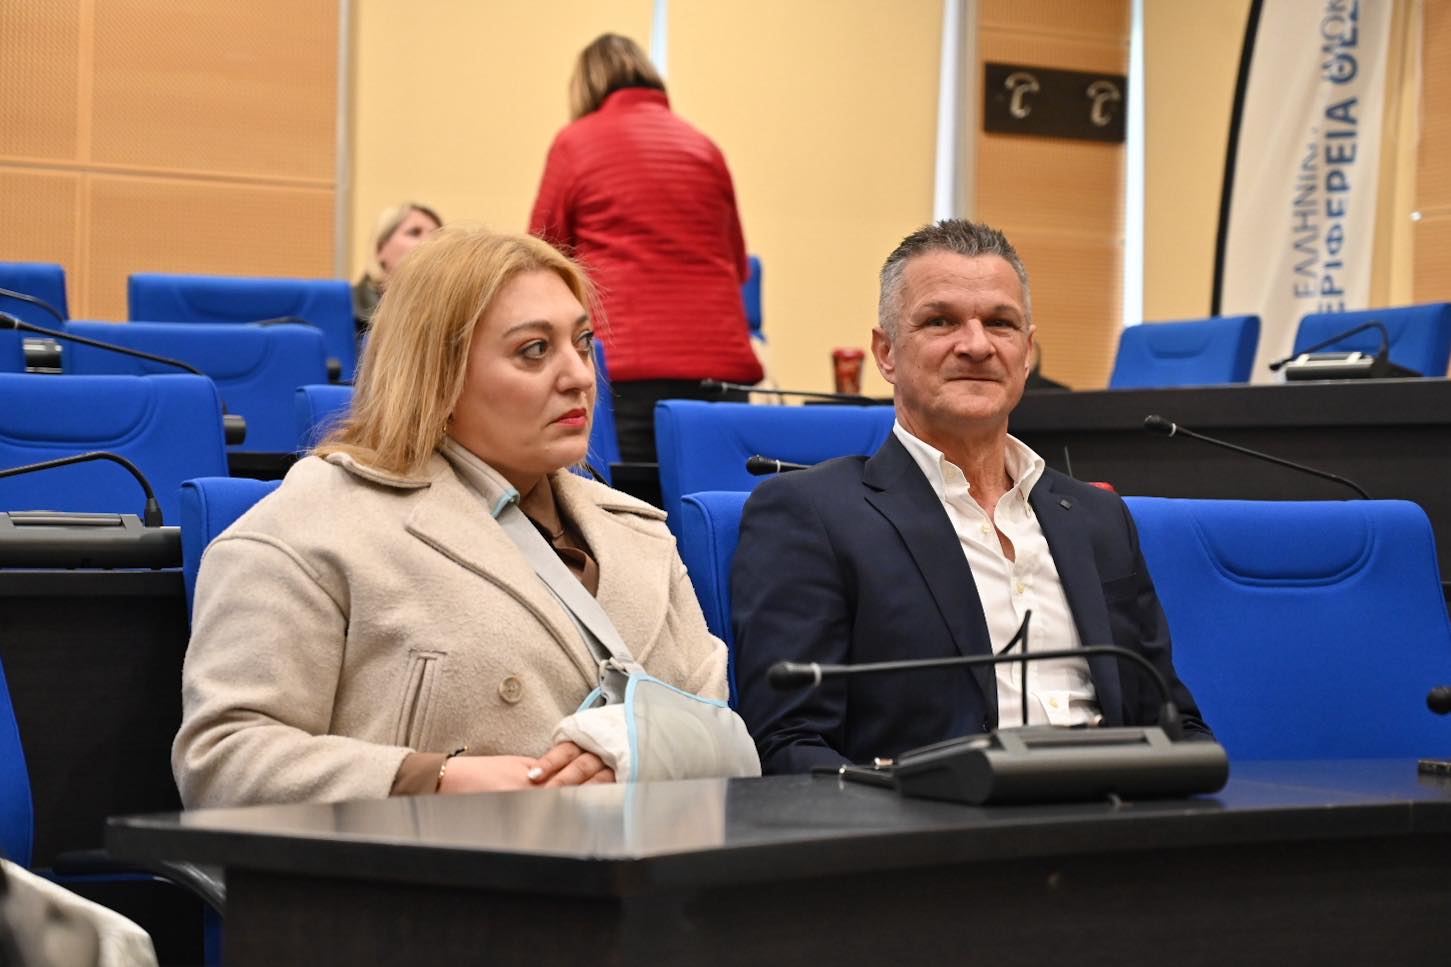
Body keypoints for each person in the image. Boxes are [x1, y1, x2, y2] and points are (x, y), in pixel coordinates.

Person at [174, 226, 728, 807]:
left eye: (583, 342)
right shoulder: (315, 526)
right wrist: (432, 780)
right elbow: (222, 760)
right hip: (436, 859)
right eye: (534, 350)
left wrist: (640, 760)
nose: (580, 376)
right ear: (436, 373)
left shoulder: (640, 533)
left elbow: (722, 736)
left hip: (656, 858)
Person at [730, 219, 1210, 774]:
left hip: (1115, 809)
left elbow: (1173, 721)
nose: (977, 346)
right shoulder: (811, 514)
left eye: (1000, 324)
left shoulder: (1099, 518)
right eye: (941, 321)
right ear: (886, 353)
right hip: (931, 816)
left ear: (1026, 353)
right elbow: (789, 744)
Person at [529, 33, 762, 463]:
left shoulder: (575, 142)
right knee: (711, 494)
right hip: (718, 372)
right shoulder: (704, 147)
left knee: (624, 498)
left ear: (587, 86)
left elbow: (541, 261)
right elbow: (737, 264)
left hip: (627, 370)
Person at [353, 202, 442, 338]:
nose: (429, 241)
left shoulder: (451, 312)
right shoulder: (345, 310)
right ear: (380, 249)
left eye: (436, 236)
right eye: (414, 232)